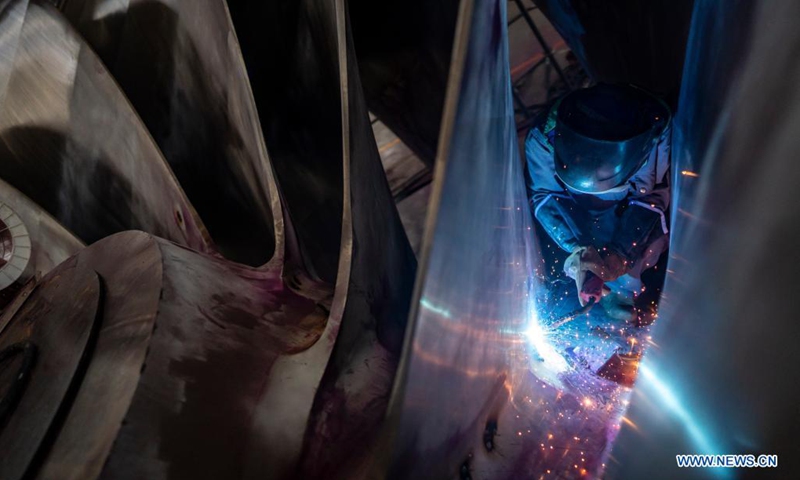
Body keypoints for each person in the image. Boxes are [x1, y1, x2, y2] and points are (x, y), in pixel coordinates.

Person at [524, 83, 671, 325]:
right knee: (551, 261)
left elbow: (649, 199)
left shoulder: (655, 132)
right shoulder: (544, 138)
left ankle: (631, 292)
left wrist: (619, 256)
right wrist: (582, 254)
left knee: (648, 248)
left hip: (629, 205)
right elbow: (544, 196)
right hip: (573, 207)